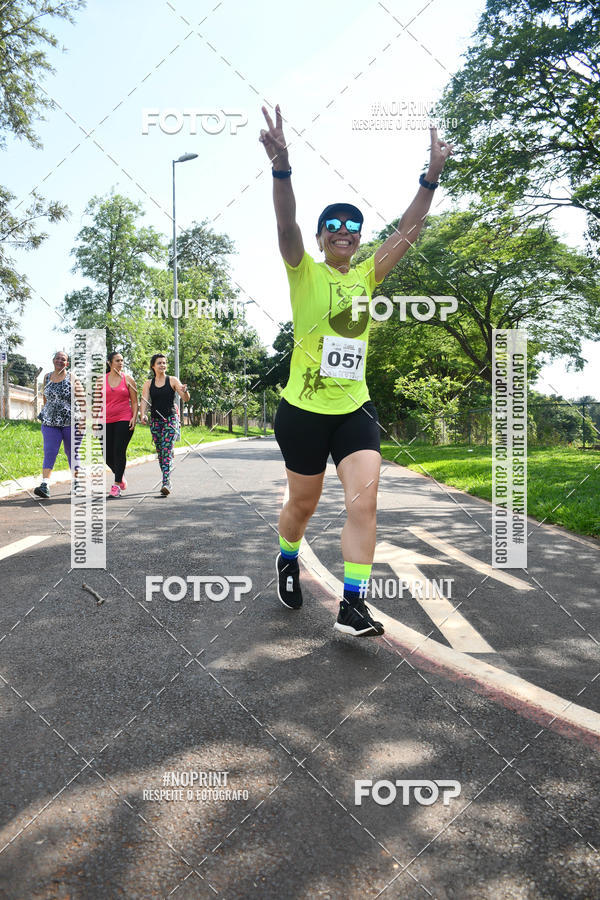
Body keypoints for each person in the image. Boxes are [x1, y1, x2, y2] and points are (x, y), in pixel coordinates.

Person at [259, 104, 453, 637]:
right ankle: (286, 555)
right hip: (301, 410)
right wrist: (282, 168)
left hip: (354, 408)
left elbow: (411, 228)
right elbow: (285, 222)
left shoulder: (367, 274)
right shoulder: (304, 272)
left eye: (353, 228)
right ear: (322, 237)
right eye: (334, 227)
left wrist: (431, 177)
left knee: (365, 500)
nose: (344, 232)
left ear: (359, 239)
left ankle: (352, 603)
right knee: (303, 502)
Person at [34, 351, 83, 499]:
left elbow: (82, 401)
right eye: (57, 358)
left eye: (63, 359)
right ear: (53, 360)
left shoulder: (72, 377)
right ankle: (45, 485)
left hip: (71, 422)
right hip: (50, 423)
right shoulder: (47, 377)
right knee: (49, 451)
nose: (60, 361)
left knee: (71, 452)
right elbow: (45, 398)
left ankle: (76, 483)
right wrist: (46, 413)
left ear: (67, 363)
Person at [140, 353, 190, 495]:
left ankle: (166, 482)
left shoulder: (173, 380)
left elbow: (185, 399)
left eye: (164, 363)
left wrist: (185, 392)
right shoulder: (148, 383)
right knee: (161, 452)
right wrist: (142, 414)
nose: (163, 365)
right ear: (153, 366)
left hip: (170, 419)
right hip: (156, 421)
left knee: (166, 450)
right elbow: (144, 400)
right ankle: (167, 478)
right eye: (159, 363)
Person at [105, 351, 138, 498]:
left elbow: (135, 401)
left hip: (124, 418)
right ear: (110, 363)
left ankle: (117, 484)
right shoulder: (101, 380)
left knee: (119, 450)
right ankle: (120, 475)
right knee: (106, 454)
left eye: (122, 360)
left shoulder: (128, 379)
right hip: (105, 420)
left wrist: (134, 417)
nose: (120, 363)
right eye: (117, 360)